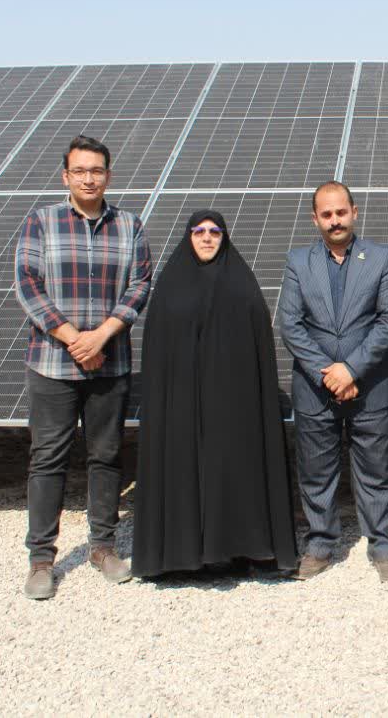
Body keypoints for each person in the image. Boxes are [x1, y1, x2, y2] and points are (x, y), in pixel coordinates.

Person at [14, 134, 152, 600]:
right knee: (47, 458)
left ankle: (102, 547)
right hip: (52, 363)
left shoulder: (129, 225)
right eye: (80, 171)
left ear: (108, 176)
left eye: (96, 171)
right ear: (66, 176)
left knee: (106, 456)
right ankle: (41, 559)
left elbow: (140, 285)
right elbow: (28, 285)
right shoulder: (41, 222)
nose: (89, 179)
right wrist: (75, 338)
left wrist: (102, 335)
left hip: (109, 364)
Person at [132, 210, 298, 579]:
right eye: (199, 231)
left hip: (233, 402)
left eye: (215, 232)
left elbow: (258, 348)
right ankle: (182, 556)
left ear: (224, 237)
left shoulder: (242, 284)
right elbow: (158, 349)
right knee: (184, 469)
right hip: (181, 402)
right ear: (188, 237)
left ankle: (239, 550)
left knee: (232, 469)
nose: (207, 238)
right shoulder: (170, 286)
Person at [276, 181, 388, 583]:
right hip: (315, 388)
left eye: (341, 212)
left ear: (354, 212)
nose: (335, 221)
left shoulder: (381, 257)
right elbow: (290, 325)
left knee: (375, 469)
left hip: (370, 385)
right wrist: (329, 373)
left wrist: (350, 369)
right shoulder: (299, 261)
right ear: (315, 219)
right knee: (316, 470)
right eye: (327, 214)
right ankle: (319, 545)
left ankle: (382, 547)